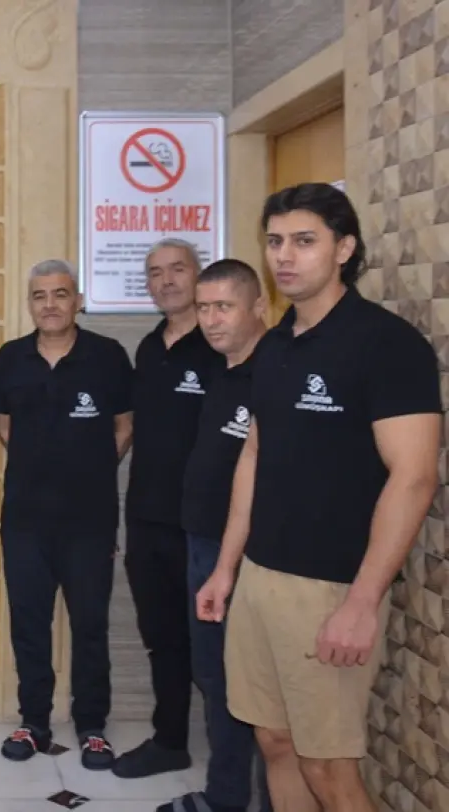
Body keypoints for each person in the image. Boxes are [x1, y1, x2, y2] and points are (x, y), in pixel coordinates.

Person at [197, 183, 440, 812]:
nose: (284, 256)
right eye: (275, 241)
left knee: (329, 768)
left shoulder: (386, 344)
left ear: (344, 248)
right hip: (261, 578)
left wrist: (362, 602)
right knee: (275, 742)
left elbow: (414, 477)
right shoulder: (277, 343)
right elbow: (255, 454)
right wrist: (227, 567)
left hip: (331, 588)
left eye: (304, 241)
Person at [0, 259, 133, 770]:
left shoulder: (108, 356)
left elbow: (124, 425)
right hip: (25, 520)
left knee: (90, 625)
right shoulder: (11, 358)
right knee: (29, 624)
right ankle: (34, 721)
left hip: (89, 521)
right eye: (39, 295)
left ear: (78, 300)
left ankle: (92, 725)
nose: (49, 304)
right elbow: (3, 423)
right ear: (30, 303)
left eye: (60, 294)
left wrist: (90, 468)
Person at [162, 259, 272, 812]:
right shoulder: (223, 371)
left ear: (259, 307)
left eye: (224, 307)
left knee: (260, 690)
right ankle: (226, 796)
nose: (210, 320)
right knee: (215, 675)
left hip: (251, 556)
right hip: (203, 543)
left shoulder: (273, 375)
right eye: (203, 308)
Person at [115, 238, 221, 779]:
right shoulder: (149, 347)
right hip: (147, 516)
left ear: (197, 274)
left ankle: (234, 763)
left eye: (177, 269)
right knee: (162, 637)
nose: (166, 281)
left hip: (206, 525)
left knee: (214, 649)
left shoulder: (220, 345)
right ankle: (171, 740)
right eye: (155, 272)